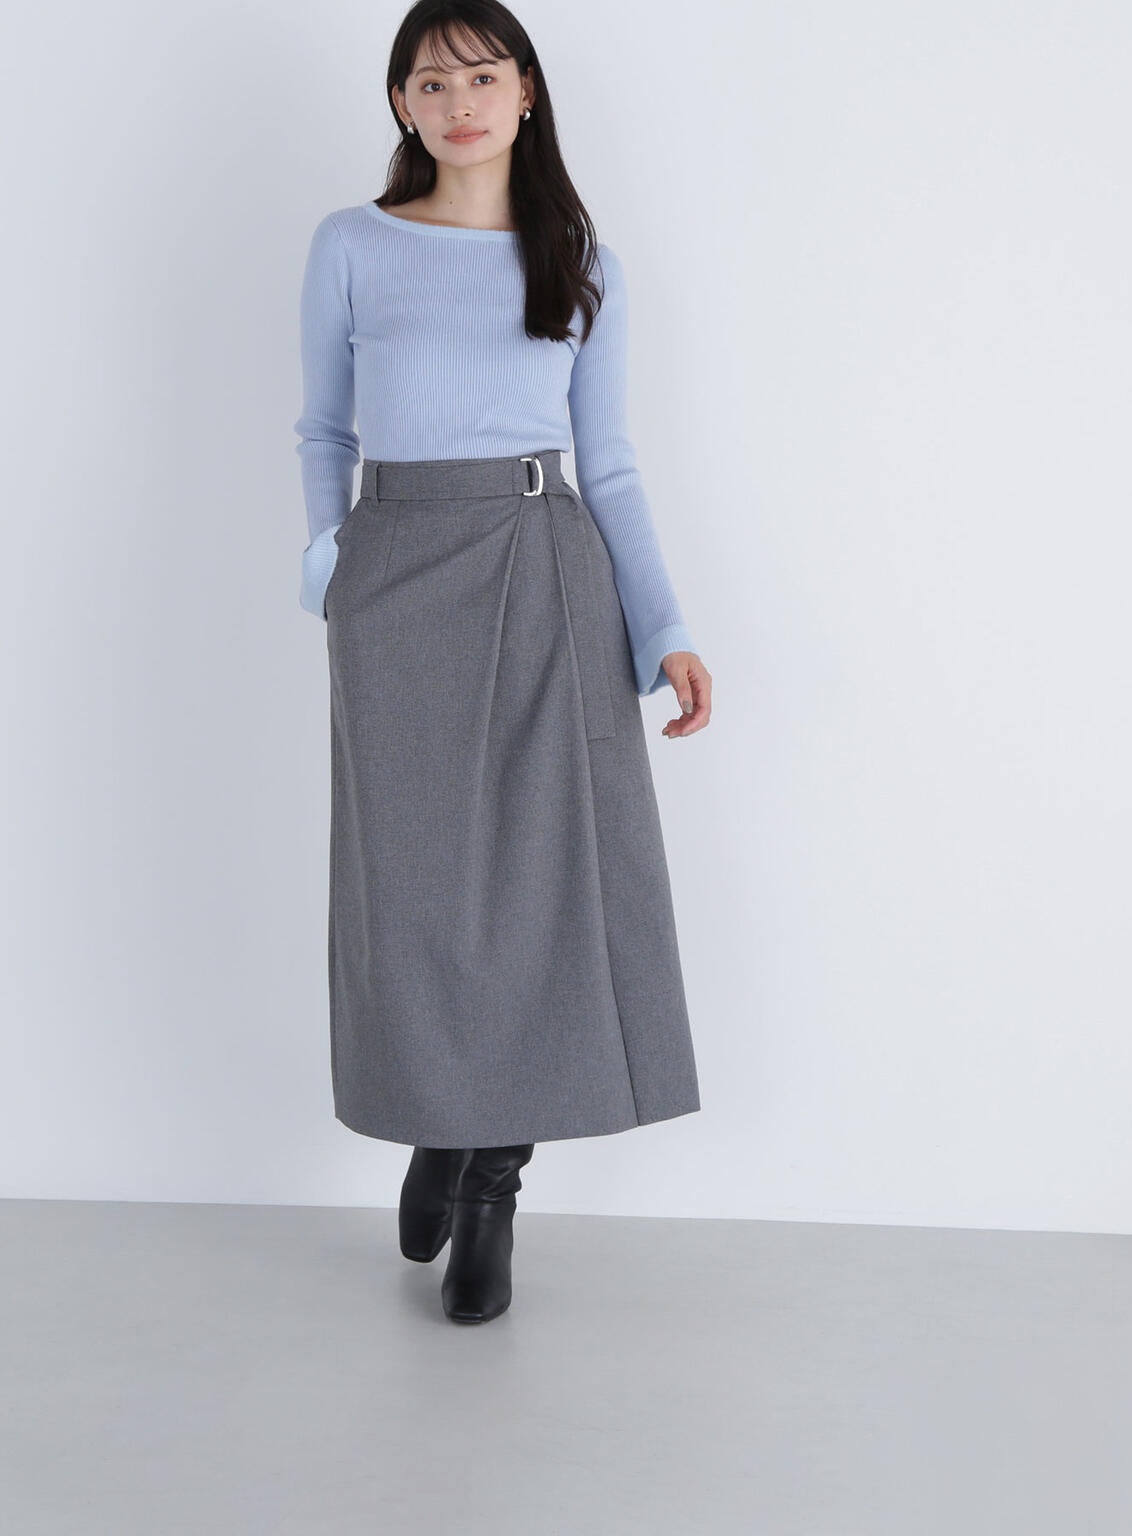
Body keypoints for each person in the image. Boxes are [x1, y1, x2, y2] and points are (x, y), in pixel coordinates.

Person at [293, 0, 712, 1325]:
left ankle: (489, 1188)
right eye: (431, 81)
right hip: (396, 572)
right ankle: (440, 1116)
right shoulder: (352, 244)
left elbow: (614, 462)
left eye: (482, 75)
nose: (458, 100)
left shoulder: (578, 258)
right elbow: (321, 430)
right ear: (401, 105)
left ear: (526, 92)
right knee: (413, 890)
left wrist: (664, 626)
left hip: (543, 566)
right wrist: (329, 564)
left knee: (541, 887)